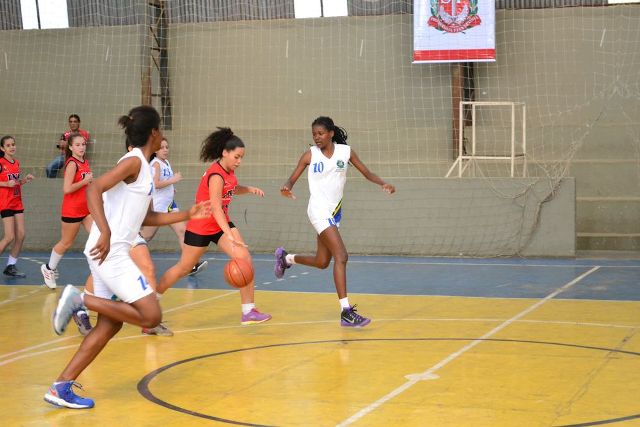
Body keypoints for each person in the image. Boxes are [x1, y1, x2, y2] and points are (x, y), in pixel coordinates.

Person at [45, 106, 209, 409]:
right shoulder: (133, 161)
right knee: (151, 316)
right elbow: (94, 188)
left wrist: (188, 213)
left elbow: (146, 216)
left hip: (107, 251)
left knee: (110, 325)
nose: (163, 135)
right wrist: (105, 231)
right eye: (161, 130)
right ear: (154, 133)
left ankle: (61, 386)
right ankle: (81, 300)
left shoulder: (143, 167)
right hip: (111, 251)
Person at [275, 116, 395, 327]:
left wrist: (382, 183)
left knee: (322, 262)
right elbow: (292, 179)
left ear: (330, 133)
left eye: (320, 133)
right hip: (318, 210)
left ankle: (286, 259)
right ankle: (346, 312)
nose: (317, 137)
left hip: (335, 212)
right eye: (314, 134)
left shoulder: (345, 152)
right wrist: (286, 187)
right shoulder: (310, 155)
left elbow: (367, 173)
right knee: (342, 256)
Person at [156, 127, 271, 325]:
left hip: (219, 224)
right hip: (201, 226)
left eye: (241, 158)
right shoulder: (215, 175)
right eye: (236, 157)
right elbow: (216, 207)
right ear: (225, 153)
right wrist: (230, 234)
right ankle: (153, 300)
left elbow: (231, 189)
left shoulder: (229, 172)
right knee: (183, 268)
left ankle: (248, 311)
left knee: (244, 258)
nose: (239, 161)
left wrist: (249, 189)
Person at [140, 137, 208, 277]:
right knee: (145, 236)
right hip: (158, 207)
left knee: (183, 231)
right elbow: (155, 184)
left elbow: (163, 183)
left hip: (169, 205)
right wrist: (173, 180)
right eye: (162, 147)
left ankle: (190, 265)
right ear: (155, 150)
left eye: (167, 147)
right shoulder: (155, 164)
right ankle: (126, 256)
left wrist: (171, 188)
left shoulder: (166, 162)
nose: (165, 150)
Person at [41, 133, 94, 290]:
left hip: (86, 209)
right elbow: (67, 189)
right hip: (72, 210)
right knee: (66, 243)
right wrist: (85, 181)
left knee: (98, 237)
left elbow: (87, 184)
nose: (81, 147)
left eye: (83, 144)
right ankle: (49, 268)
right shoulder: (72, 164)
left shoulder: (84, 161)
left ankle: (102, 273)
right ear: (70, 147)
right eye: (77, 145)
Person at [0, 136, 35, 278]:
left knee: (21, 235)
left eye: (13, 144)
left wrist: (24, 180)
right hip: (6, 203)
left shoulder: (16, 163)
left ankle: (10, 266)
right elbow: (7, 183)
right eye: (8, 145)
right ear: (2, 148)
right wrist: (5, 184)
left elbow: (14, 183)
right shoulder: (1, 163)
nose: (12, 147)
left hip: (17, 202)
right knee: (9, 236)